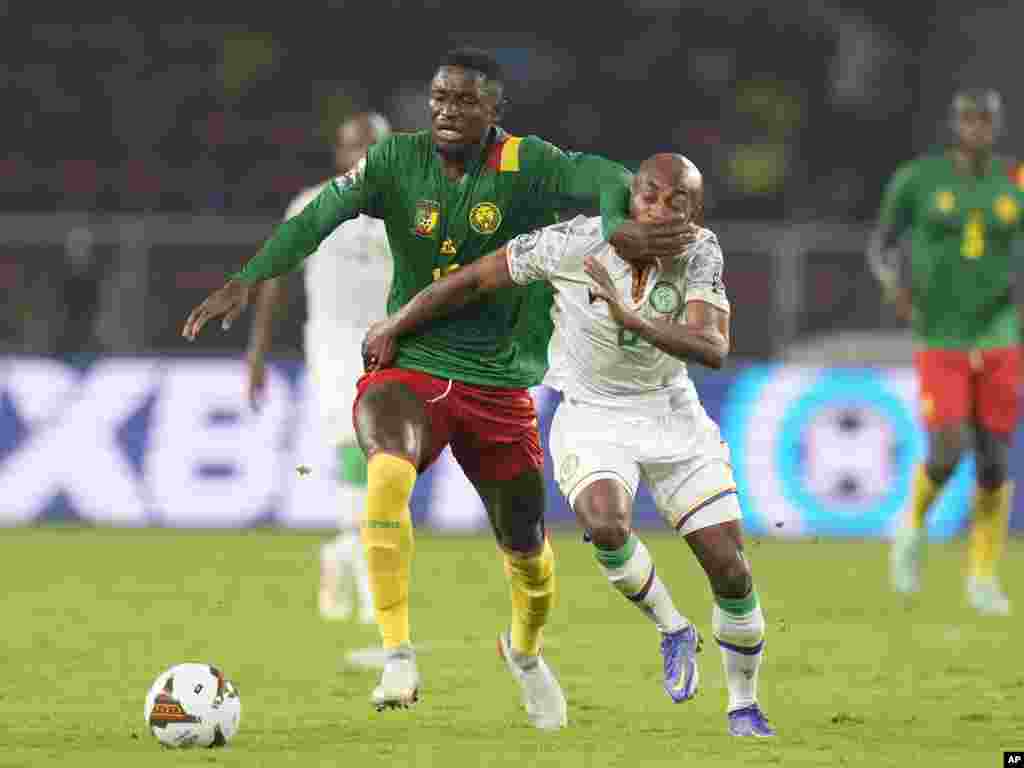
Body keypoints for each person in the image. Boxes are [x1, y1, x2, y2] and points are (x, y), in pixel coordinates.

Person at [181, 46, 692, 728]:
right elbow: (314, 219)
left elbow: (606, 175)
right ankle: (397, 653)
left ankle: (526, 654)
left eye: (466, 101)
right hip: (411, 358)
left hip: (497, 380)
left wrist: (616, 225)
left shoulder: (524, 162)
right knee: (384, 473)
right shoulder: (396, 161)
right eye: (440, 99)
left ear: (494, 111)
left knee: (530, 558)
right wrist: (247, 278)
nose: (449, 111)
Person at [362, 154, 775, 737]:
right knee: (605, 524)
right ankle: (673, 628)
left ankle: (743, 704)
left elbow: (712, 346)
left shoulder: (701, 252)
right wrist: (396, 322)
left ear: (694, 212)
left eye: (676, 201)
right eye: (649, 196)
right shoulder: (573, 244)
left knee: (730, 570)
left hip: (671, 413)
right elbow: (476, 278)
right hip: (592, 414)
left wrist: (631, 319)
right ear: (629, 199)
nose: (659, 209)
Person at [868, 88, 1024, 615]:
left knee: (996, 460)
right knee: (947, 449)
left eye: (987, 120)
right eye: (969, 119)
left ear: (997, 126)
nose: (978, 128)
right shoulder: (919, 179)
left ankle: (982, 577)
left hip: (999, 333)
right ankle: (911, 530)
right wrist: (896, 287)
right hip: (940, 334)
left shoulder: (1015, 181)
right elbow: (883, 244)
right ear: (955, 124)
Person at [247, 113, 391, 643]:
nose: (362, 156)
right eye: (353, 146)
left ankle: (343, 551)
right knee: (356, 444)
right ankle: (370, 577)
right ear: (339, 152)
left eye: (372, 147)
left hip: (388, 345)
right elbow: (275, 277)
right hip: (331, 345)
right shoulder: (310, 205)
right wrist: (258, 353)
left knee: (387, 462)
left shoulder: (408, 210)